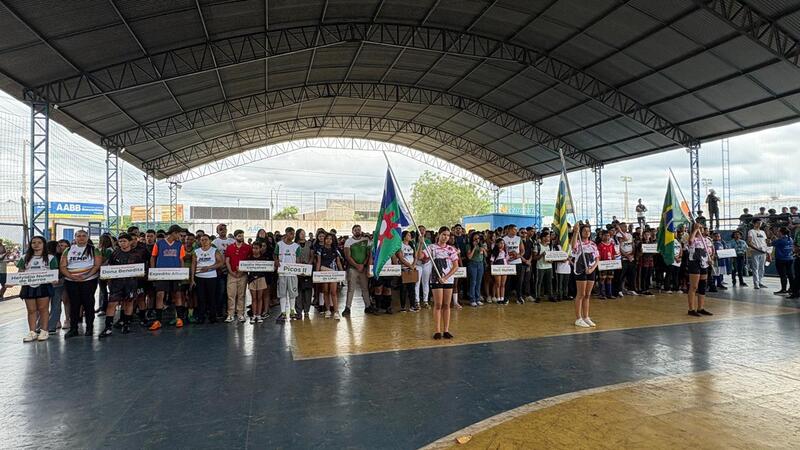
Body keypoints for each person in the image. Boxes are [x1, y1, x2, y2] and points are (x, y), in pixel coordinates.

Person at [99, 233, 143, 338]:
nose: (122, 243)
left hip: (131, 283)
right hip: (116, 284)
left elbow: (141, 269)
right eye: (120, 241)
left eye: (124, 241)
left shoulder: (136, 255)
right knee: (112, 304)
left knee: (129, 303)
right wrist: (109, 280)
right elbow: (109, 267)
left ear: (130, 242)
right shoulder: (115, 253)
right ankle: (108, 327)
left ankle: (126, 324)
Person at [61, 230, 102, 338]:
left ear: (87, 237)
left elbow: (97, 265)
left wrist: (86, 276)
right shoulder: (68, 250)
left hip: (89, 281)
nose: (81, 238)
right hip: (71, 281)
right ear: (75, 237)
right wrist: (71, 277)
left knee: (88, 304)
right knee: (74, 305)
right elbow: (63, 266)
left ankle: (89, 328)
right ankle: (73, 329)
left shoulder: (94, 250)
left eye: (84, 236)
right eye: (78, 236)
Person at [17, 236, 57, 342]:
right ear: (30, 245)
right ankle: (32, 332)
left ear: (44, 244)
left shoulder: (51, 258)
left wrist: (54, 280)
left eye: (39, 242)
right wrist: (13, 281)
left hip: (44, 286)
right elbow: (20, 272)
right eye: (33, 242)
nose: (36, 245)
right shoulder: (24, 257)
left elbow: (54, 273)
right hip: (28, 286)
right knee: (31, 310)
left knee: (43, 309)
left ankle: (44, 331)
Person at [149, 224, 188, 330]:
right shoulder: (159, 243)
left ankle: (179, 318)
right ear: (174, 233)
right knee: (160, 295)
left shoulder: (179, 245)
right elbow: (153, 257)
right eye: (179, 234)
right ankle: (158, 320)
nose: (180, 237)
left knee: (177, 295)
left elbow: (181, 259)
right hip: (161, 273)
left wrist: (182, 272)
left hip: (175, 273)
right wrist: (153, 272)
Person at [430, 226, 459, 340]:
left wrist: (446, 277)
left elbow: (455, 266)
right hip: (436, 278)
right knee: (438, 304)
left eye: (447, 235)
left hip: (448, 279)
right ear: (439, 235)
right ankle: (437, 331)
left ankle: (446, 330)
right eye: (444, 235)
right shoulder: (432, 248)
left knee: (447, 305)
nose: (446, 237)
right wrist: (421, 244)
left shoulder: (451, 249)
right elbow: (420, 257)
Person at [191, 233, 224, 324]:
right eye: (202, 240)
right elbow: (193, 265)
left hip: (211, 277)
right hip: (199, 277)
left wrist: (209, 267)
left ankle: (212, 317)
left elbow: (221, 262)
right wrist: (192, 278)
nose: (204, 241)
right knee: (201, 298)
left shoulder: (214, 250)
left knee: (212, 297)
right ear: (199, 241)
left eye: (206, 239)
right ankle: (201, 317)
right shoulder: (196, 251)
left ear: (210, 241)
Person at [571, 222, 599, 328]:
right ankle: (578, 318)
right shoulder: (578, 243)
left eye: (588, 231)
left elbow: (597, 258)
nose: (587, 232)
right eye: (584, 231)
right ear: (581, 232)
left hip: (590, 270)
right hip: (580, 270)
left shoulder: (593, 244)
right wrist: (575, 232)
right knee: (581, 294)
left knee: (587, 295)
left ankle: (586, 316)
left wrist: (592, 269)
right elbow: (573, 247)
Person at [344, 225, 373, 316]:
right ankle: (347, 308)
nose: (357, 231)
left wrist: (363, 264)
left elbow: (368, 254)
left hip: (363, 268)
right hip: (352, 268)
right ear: (352, 231)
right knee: (351, 289)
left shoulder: (366, 240)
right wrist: (357, 265)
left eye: (359, 229)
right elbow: (348, 256)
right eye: (355, 230)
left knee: (365, 288)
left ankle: (368, 306)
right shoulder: (348, 241)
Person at [275, 227, 301, 323]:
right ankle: (283, 312)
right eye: (291, 234)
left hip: (293, 273)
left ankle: (292, 311)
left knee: (292, 293)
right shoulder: (279, 244)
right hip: (282, 273)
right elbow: (275, 255)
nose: (293, 236)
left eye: (294, 234)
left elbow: (298, 259)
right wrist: (276, 261)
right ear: (286, 233)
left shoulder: (296, 246)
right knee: (282, 293)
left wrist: (300, 268)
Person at [686, 223, 713, 317]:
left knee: (702, 286)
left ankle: (700, 308)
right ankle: (691, 309)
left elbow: (710, 251)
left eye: (702, 227)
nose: (701, 229)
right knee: (694, 286)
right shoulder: (693, 238)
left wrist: (711, 259)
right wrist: (695, 230)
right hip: (695, 263)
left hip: (704, 263)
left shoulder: (707, 240)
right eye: (699, 227)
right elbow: (690, 241)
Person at [224, 229, 251, 323]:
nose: (241, 237)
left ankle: (240, 314)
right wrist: (231, 272)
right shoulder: (230, 247)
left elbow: (249, 261)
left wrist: (242, 271)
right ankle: (230, 314)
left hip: (243, 274)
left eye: (242, 235)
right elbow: (227, 261)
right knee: (230, 295)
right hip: (231, 274)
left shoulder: (248, 247)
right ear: (235, 237)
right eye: (239, 236)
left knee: (241, 295)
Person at [316, 233, 344, 319]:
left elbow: (338, 262)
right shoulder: (320, 250)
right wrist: (317, 273)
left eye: (330, 239)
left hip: (334, 274)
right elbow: (318, 262)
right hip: (323, 273)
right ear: (324, 240)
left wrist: (342, 272)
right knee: (325, 291)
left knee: (333, 292)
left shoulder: (335, 250)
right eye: (327, 238)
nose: (329, 240)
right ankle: (327, 310)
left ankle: (336, 311)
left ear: (333, 240)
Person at [212, 223, 234, 321]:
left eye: (224, 229)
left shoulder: (232, 241)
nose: (223, 231)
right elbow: (213, 257)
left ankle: (230, 311)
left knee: (230, 292)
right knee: (220, 292)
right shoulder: (214, 242)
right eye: (220, 229)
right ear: (217, 231)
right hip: (220, 271)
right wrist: (219, 267)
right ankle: (220, 311)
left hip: (231, 270)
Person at [245, 241, 270, 323]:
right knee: (254, 298)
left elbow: (267, 269)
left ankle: (259, 315)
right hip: (252, 279)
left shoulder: (264, 258)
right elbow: (245, 268)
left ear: (260, 249)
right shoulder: (249, 258)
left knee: (260, 298)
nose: (255, 250)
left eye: (256, 248)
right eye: (253, 248)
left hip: (261, 279)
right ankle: (254, 315)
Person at [502, 224, 526, 304]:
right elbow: (501, 251)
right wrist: (508, 256)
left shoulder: (519, 238)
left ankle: (519, 297)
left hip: (517, 262)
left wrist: (518, 256)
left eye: (516, 229)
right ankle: (506, 298)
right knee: (508, 281)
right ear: (509, 230)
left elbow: (522, 250)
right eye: (514, 229)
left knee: (519, 281)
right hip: (508, 263)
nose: (516, 231)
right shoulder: (504, 239)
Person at [295, 229, 315, 319]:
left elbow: (312, 255)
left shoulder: (310, 244)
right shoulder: (294, 244)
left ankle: (307, 310)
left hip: (308, 269)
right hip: (297, 269)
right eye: (301, 233)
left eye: (304, 233)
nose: (303, 235)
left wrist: (308, 265)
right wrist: (299, 265)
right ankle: (298, 311)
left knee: (308, 291)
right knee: (298, 291)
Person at [465, 231, 486, 307]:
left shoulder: (481, 245)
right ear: (472, 239)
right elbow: (469, 257)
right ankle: (472, 299)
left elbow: (486, 255)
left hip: (480, 264)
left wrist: (483, 250)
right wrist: (474, 247)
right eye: (475, 239)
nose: (477, 240)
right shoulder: (468, 245)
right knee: (473, 282)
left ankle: (478, 298)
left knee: (479, 282)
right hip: (472, 264)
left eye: (478, 238)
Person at [746, 218, 769, 289]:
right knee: (755, 268)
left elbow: (765, 242)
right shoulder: (751, 231)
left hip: (763, 252)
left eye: (760, 223)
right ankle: (756, 284)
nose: (759, 224)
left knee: (762, 268)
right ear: (754, 223)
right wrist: (757, 249)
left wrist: (767, 252)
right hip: (755, 252)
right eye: (758, 222)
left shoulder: (763, 232)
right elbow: (749, 243)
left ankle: (760, 282)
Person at [414, 226, 433, 309]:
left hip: (427, 263)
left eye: (423, 230)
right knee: (417, 283)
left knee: (425, 282)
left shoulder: (428, 241)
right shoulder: (413, 241)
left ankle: (425, 301)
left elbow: (431, 252)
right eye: (420, 230)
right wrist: (420, 243)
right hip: (418, 264)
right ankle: (417, 301)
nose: (421, 231)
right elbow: (415, 254)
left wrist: (427, 259)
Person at [771, 227, 794, 295]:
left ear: (781, 233)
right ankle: (792, 288)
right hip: (790, 259)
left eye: (778, 231)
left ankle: (783, 289)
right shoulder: (790, 239)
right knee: (790, 274)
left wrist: (771, 237)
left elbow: (769, 243)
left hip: (781, 260)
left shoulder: (780, 240)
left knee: (783, 275)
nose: (777, 232)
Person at [534, 232, 555, 302]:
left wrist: (551, 261)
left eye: (549, 237)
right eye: (548, 237)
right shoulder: (538, 246)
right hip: (540, 267)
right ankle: (537, 296)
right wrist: (542, 255)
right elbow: (535, 257)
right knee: (539, 282)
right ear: (543, 238)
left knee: (550, 282)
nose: (549, 238)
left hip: (549, 266)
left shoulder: (550, 246)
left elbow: (552, 257)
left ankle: (550, 296)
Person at [597, 230, 616, 299]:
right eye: (605, 235)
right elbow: (598, 255)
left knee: (609, 278)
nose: (607, 237)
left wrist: (614, 261)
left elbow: (613, 254)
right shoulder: (600, 245)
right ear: (602, 236)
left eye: (608, 236)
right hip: (603, 264)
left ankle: (609, 294)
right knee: (602, 278)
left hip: (610, 264)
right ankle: (602, 294)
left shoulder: (611, 245)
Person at [490, 238, 508, 304]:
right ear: (497, 244)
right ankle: (498, 299)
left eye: (503, 243)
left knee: (503, 284)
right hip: (497, 268)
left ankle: (502, 298)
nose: (502, 244)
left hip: (504, 268)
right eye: (500, 243)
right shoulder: (494, 252)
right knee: (498, 284)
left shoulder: (505, 251)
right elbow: (492, 261)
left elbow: (507, 259)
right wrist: (492, 269)